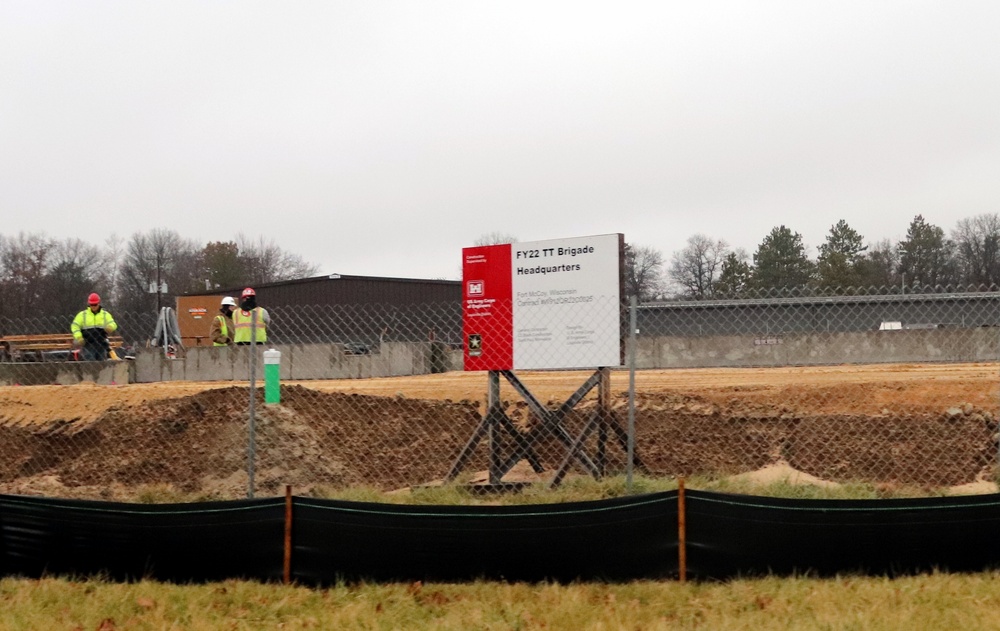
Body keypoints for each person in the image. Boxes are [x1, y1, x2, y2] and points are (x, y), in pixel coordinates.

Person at [71, 292, 118, 361]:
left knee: (102, 363)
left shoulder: (105, 314)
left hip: (101, 343)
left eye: (95, 304)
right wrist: (79, 337)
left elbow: (113, 324)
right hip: (88, 343)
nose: (93, 306)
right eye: (91, 305)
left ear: (98, 303)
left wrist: (110, 327)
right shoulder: (82, 315)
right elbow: (75, 326)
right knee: (90, 363)